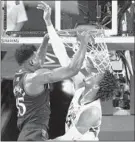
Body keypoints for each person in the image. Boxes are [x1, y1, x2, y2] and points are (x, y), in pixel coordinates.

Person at [39, 2, 118, 140]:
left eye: (96, 76)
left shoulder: (92, 112)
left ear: (95, 86)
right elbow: (62, 56)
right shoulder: (81, 88)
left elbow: (66, 139)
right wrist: (48, 23)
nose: (92, 74)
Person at [13, 3, 89, 140]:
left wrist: (46, 39)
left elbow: (38, 62)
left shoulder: (19, 76)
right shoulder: (35, 78)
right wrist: (83, 44)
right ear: (31, 62)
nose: (40, 59)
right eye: (36, 56)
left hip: (26, 133)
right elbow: (72, 69)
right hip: (34, 134)